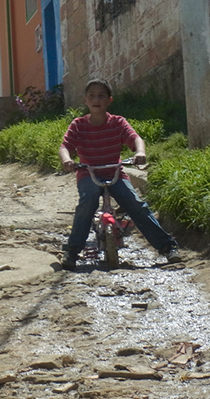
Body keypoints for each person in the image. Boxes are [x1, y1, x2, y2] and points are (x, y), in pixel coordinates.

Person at [59, 79, 181, 270]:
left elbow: (135, 138)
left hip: (114, 172)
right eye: (92, 95)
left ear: (109, 100)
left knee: (136, 204)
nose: (96, 99)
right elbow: (65, 146)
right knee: (87, 202)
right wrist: (67, 159)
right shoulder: (78, 125)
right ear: (85, 100)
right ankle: (72, 252)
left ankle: (167, 247)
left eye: (101, 95)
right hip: (88, 174)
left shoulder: (117, 122)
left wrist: (140, 152)